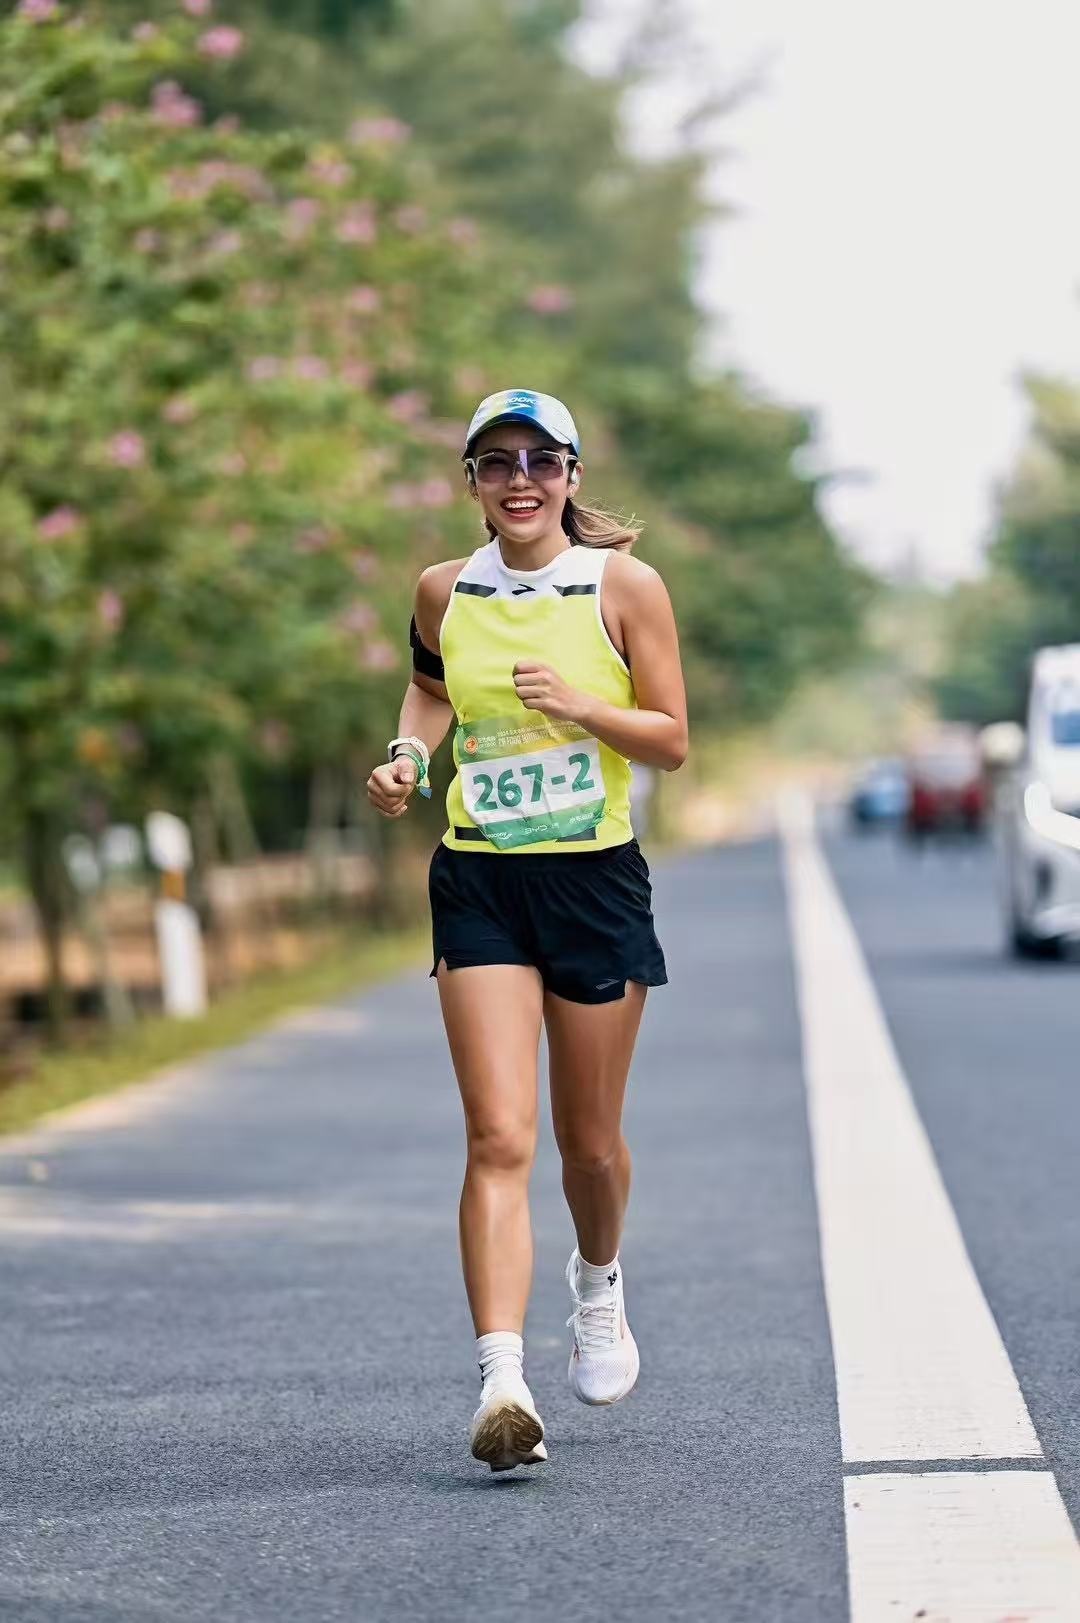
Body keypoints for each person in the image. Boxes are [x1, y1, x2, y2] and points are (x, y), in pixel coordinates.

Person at [367, 389, 688, 1471]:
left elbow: (671, 739)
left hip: (593, 881)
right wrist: (407, 759)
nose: (520, 481)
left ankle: (598, 1286)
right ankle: (502, 1382)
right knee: (498, 1136)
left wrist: (583, 706)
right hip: (480, 880)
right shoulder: (442, 589)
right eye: (497, 462)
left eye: (540, 461)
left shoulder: (624, 587)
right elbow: (428, 694)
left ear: (571, 476)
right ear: (471, 480)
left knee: (586, 1144)